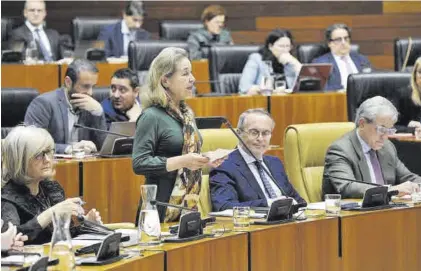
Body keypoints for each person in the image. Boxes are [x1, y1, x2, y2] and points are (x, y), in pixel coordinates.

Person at [132, 47, 222, 222]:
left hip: (188, 206)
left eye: (192, 73)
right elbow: (139, 163)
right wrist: (183, 161)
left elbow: (186, 159)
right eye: (185, 74)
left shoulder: (187, 113)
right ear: (165, 80)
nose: (193, 79)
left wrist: (204, 160)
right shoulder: (151, 116)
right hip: (159, 209)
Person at [1, 126, 102, 245]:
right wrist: (51, 213)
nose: (47, 159)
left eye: (48, 152)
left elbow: (64, 234)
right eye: (39, 154)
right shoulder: (7, 198)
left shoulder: (51, 189)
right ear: (19, 161)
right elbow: (11, 240)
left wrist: (88, 225)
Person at [323, 96, 421, 199]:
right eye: (381, 129)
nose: (385, 137)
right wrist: (392, 190)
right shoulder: (340, 150)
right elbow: (347, 187)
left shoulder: (387, 147)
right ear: (362, 124)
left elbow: (408, 177)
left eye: (389, 131)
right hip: (353, 213)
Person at [210, 109, 305, 211]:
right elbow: (224, 206)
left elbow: (298, 201)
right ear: (238, 133)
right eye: (254, 132)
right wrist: (268, 203)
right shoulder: (224, 165)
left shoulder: (275, 163)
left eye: (265, 133)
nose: (260, 138)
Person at [24, 59, 107, 154]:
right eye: (85, 86)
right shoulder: (44, 104)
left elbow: (104, 148)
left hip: (83, 165)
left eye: (93, 87)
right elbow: (32, 144)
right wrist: (68, 148)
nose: (90, 92)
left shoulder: (91, 106)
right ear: (68, 82)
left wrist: (99, 113)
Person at [239, 29, 302, 95]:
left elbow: (301, 86)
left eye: (288, 46)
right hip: (263, 101)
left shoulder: (291, 62)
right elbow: (244, 88)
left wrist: (295, 63)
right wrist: (272, 91)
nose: (285, 50)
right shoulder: (257, 59)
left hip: (287, 101)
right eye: (281, 46)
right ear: (270, 46)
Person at [312, 23, 371, 91]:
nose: (343, 42)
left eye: (346, 38)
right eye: (338, 39)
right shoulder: (320, 63)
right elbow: (320, 89)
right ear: (329, 43)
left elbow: (372, 81)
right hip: (337, 99)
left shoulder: (362, 59)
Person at [395, 57, 421, 134]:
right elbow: (391, 126)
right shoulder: (403, 95)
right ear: (414, 75)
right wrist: (411, 128)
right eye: (420, 72)